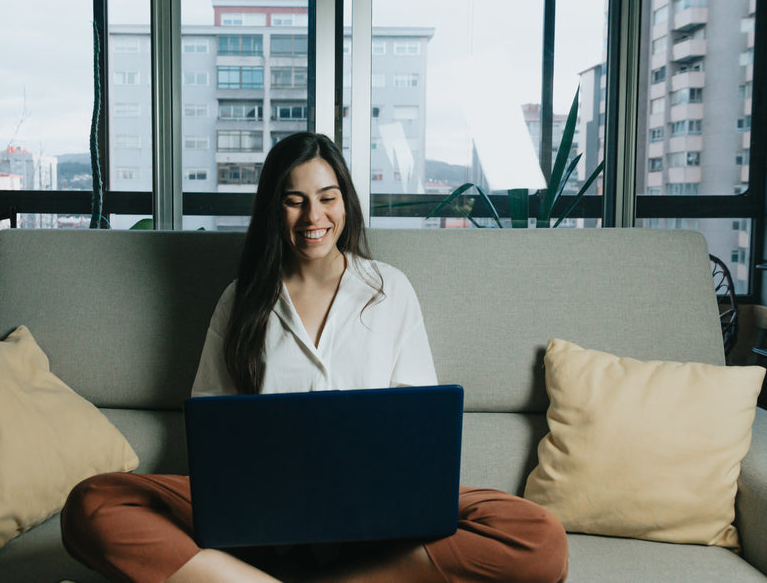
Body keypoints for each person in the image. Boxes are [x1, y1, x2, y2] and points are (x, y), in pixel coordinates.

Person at [61, 132, 568, 583]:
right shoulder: (241, 300)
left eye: (328, 198)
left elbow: (417, 427)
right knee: (93, 504)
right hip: (261, 516)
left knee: (538, 537)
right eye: (295, 201)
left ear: (345, 202)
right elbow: (213, 430)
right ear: (272, 209)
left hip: (377, 511)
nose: (314, 217)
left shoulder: (388, 289)